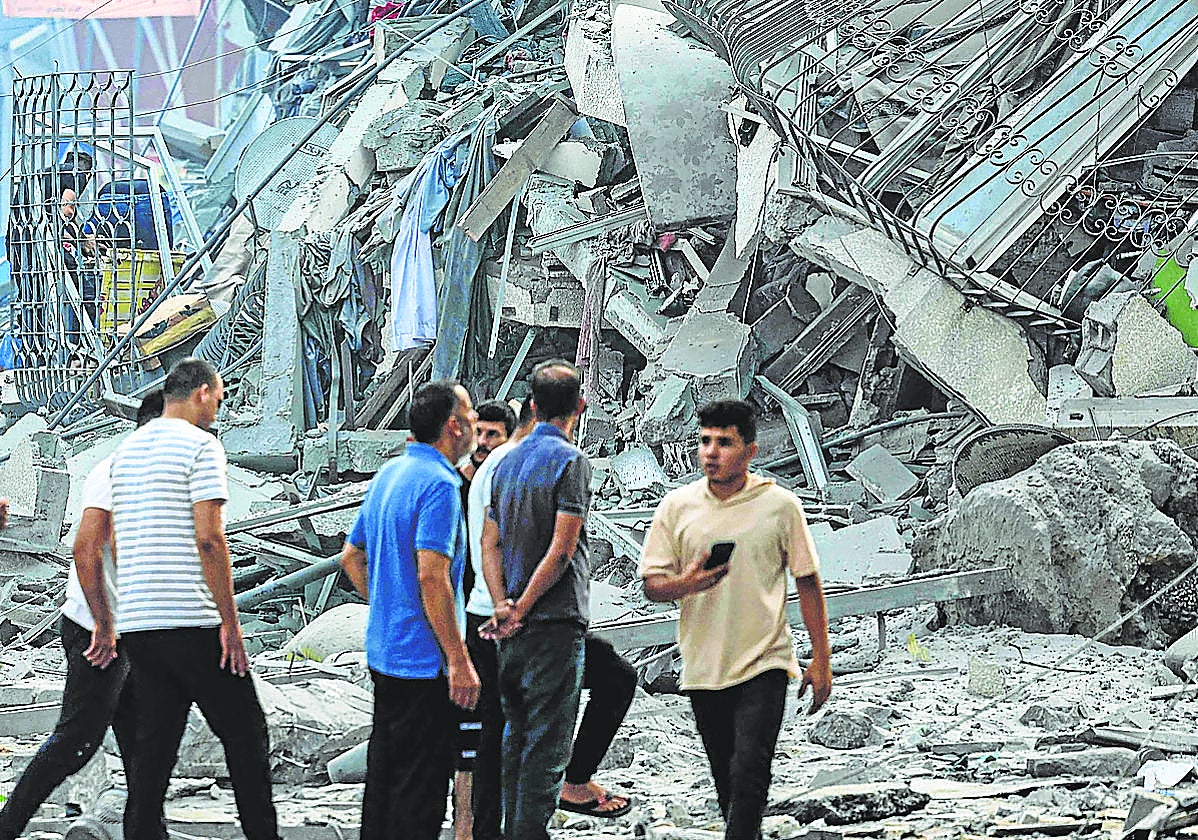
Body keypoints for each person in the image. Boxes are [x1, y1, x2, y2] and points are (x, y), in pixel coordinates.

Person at [81, 357, 281, 840]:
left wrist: (116, 618)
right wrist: (229, 622)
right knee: (247, 738)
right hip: (193, 620)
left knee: (154, 753)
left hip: (142, 623)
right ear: (200, 393)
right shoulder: (201, 446)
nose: (220, 406)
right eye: (220, 395)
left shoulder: (125, 452)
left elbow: (117, 541)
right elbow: (210, 538)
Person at [639, 399, 832, 840]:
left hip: (766, 662)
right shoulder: (677, 508)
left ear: (750, 450)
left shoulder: (780, 507)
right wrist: (686, 583)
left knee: (750, 772)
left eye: (724, 442)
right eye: (705, 441)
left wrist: (821, 659)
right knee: (728, 782)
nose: (711, 452)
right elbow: (651, 585)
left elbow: (807, 583)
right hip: (704, 667)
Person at [0, 392, 164, 840]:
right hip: (96, 630)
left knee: (140, 747)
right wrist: (107, 628)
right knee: (76, 743)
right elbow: (85, 549)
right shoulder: (115, 474)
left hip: (126, 632)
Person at [340, 379, 481, 840]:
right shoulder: (440, 485)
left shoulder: (390, 474)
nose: (476, 426)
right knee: (419, 796)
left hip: (384, 652)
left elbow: (351, 556)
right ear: (454, 427)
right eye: (471, 417)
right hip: (423, 662)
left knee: (383, 784)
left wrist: (385, 602)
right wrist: (459, 660)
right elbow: (431, 575)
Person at [480, 360, 591, 840]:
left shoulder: (505, 461)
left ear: (530, 406)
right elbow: (563, 549)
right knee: (546, 746)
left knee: (514, 738)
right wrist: (523, 607)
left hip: (511, 626)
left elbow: (491, 543)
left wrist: (503, 604)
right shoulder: (571, 462)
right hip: (552, 621)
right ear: (579, 408)